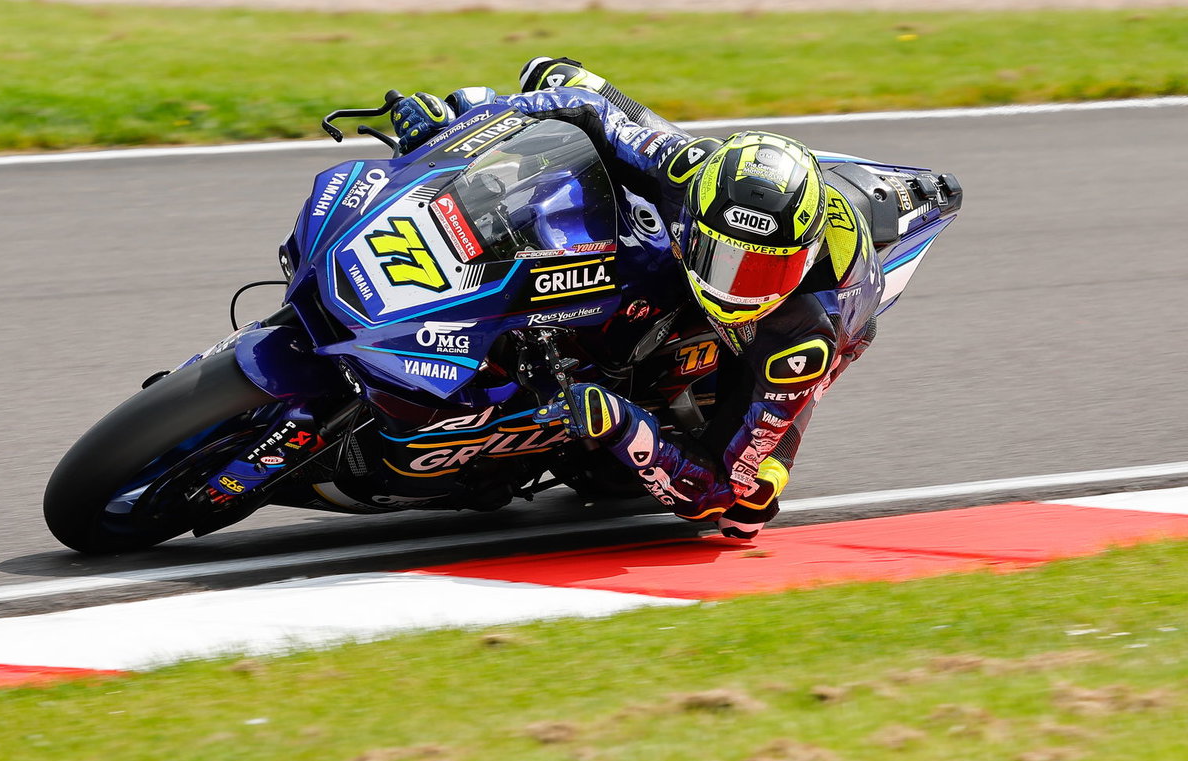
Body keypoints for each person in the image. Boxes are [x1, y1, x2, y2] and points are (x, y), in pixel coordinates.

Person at [387, 58, 961, 540]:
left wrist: (621, 427)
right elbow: (590, 107)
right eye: (728, 259)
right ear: (699, 220)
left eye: (765, 268)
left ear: (802, 257)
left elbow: (713, 491)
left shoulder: (804, 338)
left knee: (743, 509)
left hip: (782, 341)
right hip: (676, 243)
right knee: (555, 74)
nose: (739, 286)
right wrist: (463, 119)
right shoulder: (689, 170)